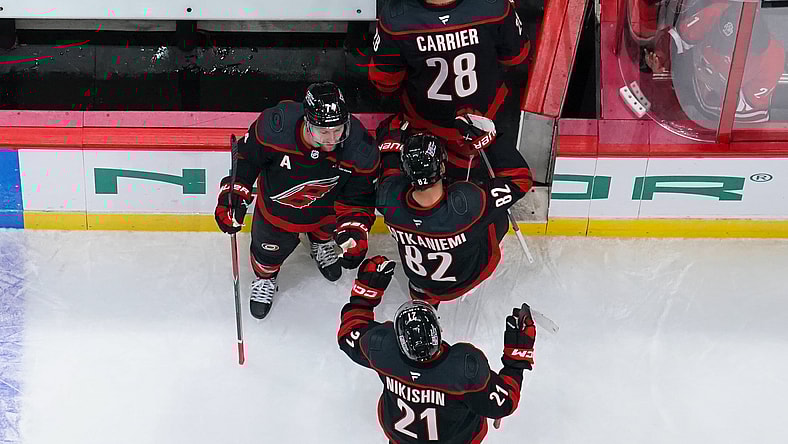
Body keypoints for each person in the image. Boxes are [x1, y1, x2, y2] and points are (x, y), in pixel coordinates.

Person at [214, 82, 379, 319]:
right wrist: (234, 195)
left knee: (327, 233)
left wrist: (354, 231)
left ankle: (319, 244)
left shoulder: (359, 147)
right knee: (267, 257)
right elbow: (247, 158)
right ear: (307, 122)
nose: (332, 139)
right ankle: (265, 278)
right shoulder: (275, 128)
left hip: (326, 211)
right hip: (277, 214)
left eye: (338, 130)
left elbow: (359, 197)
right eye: (323, 132)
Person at [337, 255, 536, 444]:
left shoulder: (381, 349)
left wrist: (364, 295)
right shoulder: (464, 369)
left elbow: (349, 333)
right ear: (438, 331)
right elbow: (505, 403)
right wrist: (516, 357)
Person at [369, 0, 531, 181]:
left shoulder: (394, 19)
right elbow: (516, 57)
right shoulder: (494, 6)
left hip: (424, 124)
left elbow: (385, 82)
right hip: (489, 119)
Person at [376, 122, 532, 306]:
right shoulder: (467, 202)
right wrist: (490, 140)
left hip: (421, 282)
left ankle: (424, 301)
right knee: (498, 217)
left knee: (422, 283)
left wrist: (390, 140)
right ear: (442, 167)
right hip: (467, 277)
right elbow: (520, 181)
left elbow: (389, 170)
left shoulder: (388, 199)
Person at [642, 2, 785, 126]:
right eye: (718, 36)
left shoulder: (773, 59)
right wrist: (660, 56)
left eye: (726, 46)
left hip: (734, 124)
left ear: (749, 49)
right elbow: (677, 38)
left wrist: (718, 85)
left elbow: (748, 109)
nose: (715, 45)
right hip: (692, 101)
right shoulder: (719, 12)